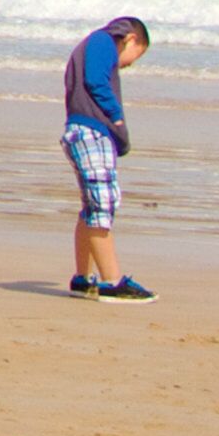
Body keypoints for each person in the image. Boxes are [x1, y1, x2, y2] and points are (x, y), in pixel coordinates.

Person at [62, 16, 154, 301]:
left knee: (91, 206)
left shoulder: (94, 44)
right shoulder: (104, 40)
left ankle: (83, 278)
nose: (127, 65)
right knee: (103, 204)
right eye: (134, 58)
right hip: (91, 131)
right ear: (131, 39)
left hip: (82, 130)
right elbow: (96, 81)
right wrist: (116, 119)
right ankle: (112, 282)